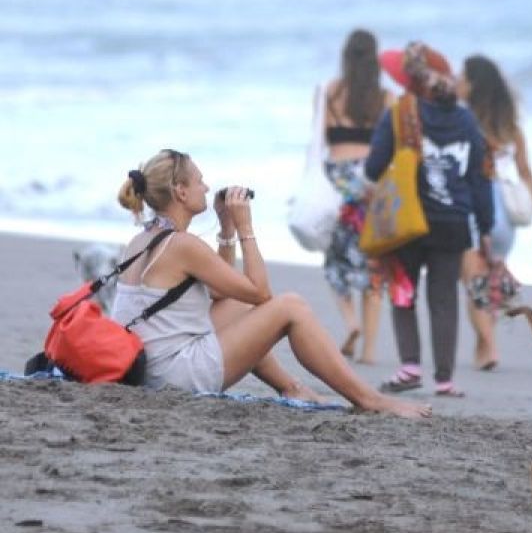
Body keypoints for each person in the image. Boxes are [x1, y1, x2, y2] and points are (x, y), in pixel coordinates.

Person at [111, 149, 432, 419]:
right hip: (174, 376)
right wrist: (246, 226)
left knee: (241, 306)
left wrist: (226, 229)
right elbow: (260, 291)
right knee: (290, 306)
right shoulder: (183, 245)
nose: (207, 188)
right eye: (199, 181)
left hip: (149, 369)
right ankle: (371, 400)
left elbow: (224, 291)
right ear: (180, 191)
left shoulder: (142, 239)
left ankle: (291, 387)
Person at [368, 42, 494, 397]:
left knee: (404, 290)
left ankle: (409, 367)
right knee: (444, 299)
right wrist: (485, 227)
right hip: (454, 221)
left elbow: (373, 166)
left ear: (411, 81)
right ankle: (444, 379)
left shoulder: (400, 112)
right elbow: (480, 176)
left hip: (408, 219)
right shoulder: (467, 119)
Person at [457, 54, 532, 371]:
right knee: (490, 279)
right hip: (507, 218)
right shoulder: (512, 128)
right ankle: (482, 345)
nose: (458, 81)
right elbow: (527, 174)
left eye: (463, 77)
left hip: (477, 205)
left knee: (474, 283)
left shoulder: (464, 122)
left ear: (474, 85)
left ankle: (489, 344)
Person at [321, 29, 395, 364]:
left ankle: (351, 323)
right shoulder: (386, 98)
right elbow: (392, 148)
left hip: (338, 183)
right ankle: (368, 352)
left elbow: (319, 140)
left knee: (335, 263)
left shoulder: (330, 92)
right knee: (373, 268)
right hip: (372, 186)